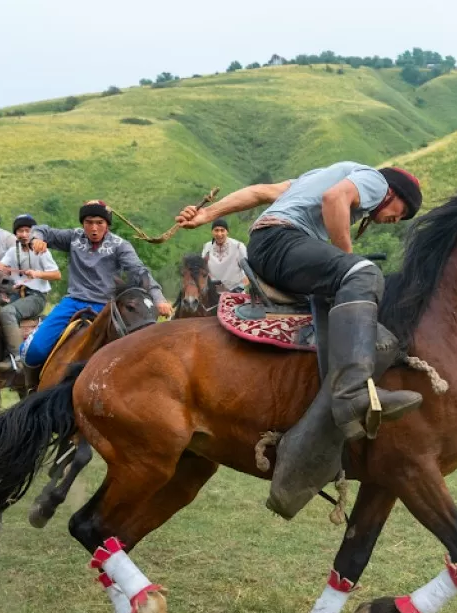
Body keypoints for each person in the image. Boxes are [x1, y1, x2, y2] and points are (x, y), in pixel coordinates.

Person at [175, 162, 425, 516]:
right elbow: (335, 199)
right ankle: (353, 393)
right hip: (283, 240)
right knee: (363, 273)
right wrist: (347, 258)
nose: (396, 220)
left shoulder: (320, 175)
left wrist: (205, 215)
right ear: (394, 193)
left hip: (266, 243)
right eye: (403, 213)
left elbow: (260, 192)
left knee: (340, 287)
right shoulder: (374, 181)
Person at [22, 199, 173, 388]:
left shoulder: (120, 245)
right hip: (73, 302)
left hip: (106, 307)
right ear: (83, 223)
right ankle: (32, 391)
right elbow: (41, 229)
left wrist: (158, 299)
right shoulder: (74, 238)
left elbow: (140, 272)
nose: (94, 228)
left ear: (107, 224)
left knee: (133, 356)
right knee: (33, 351)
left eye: (99, 223)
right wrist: (36, 239)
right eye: (89, 222)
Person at [0, 214, 60, 371]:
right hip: (16, 294)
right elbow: (1, 267)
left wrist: (37, 274)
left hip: (36, 296)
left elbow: (57, 274)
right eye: (19, 231)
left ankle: (18, 359)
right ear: (15, 233)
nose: (23, 235)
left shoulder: (41, 250)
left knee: (7, 313)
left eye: (27, 230)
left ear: (33, 233)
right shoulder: (12, 251)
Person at [200, 218, 249, 292]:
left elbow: (248, 271)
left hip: (235, 292)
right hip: (213, 293)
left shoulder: (238, 246)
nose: (219, 234)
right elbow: (203, 270)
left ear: (227, 232)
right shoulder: (207, 247)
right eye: (216, 230)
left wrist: (240, 287)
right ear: (212, 232)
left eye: (222, 230)